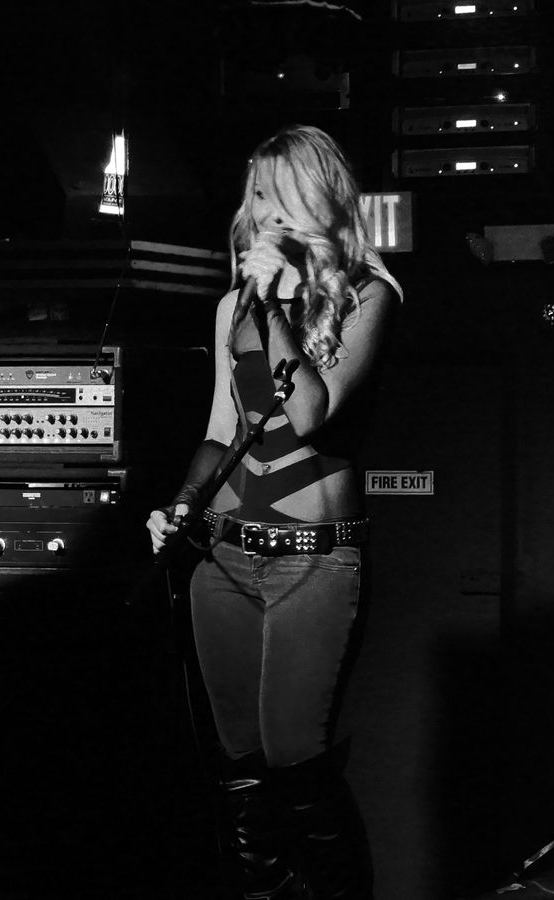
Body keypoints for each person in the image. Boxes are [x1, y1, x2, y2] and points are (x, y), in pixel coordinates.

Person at [146, 123, 400, 900]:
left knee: (296, 757)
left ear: (315, 198)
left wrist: (278, 308)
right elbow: (221, 428)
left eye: (276, 193)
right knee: (242, 771)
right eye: (254, 193)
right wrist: (180, 504)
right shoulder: (232, 306)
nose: (260, 209)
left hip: (314, 560)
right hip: (223, 557)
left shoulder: (368, 295)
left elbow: (312, 413)